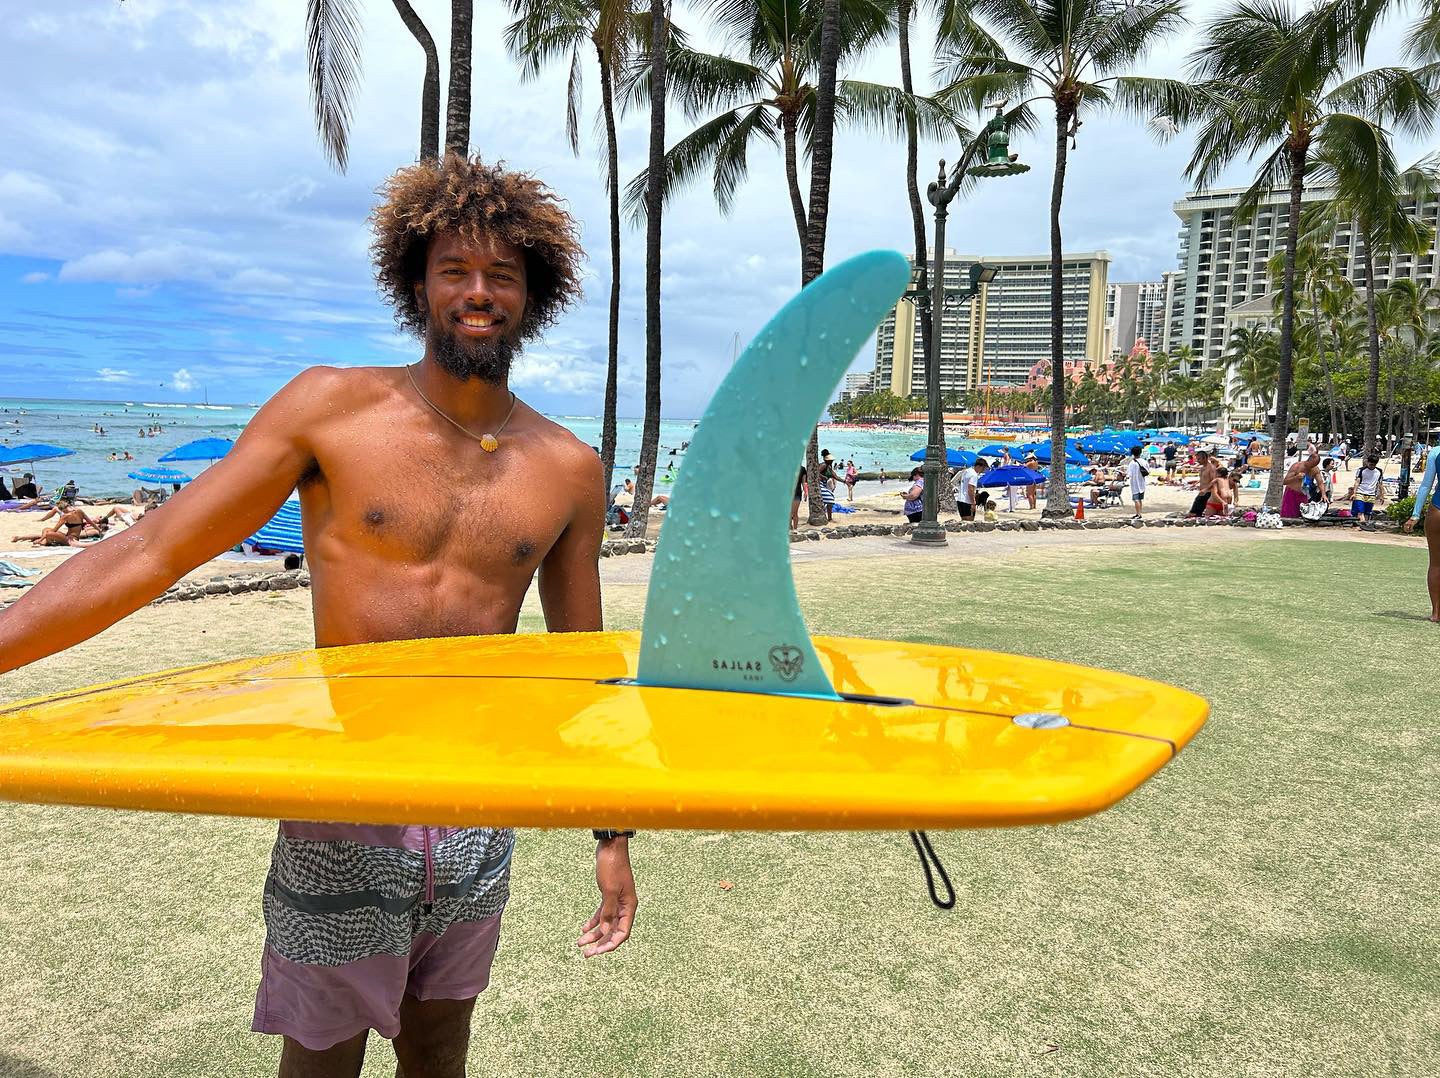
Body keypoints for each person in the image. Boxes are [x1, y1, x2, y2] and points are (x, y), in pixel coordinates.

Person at [0, 155, 634, 1077]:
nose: (478, 292)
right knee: (322, 1052)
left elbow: (580, 669)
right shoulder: (329, 410)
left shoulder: (567, 466)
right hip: (344, 796)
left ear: (534, 293)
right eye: (455, 269)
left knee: (439, 1042)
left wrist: (611, 834)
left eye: (503, 274)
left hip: (477, 805)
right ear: (416, 282)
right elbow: (152, 550)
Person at [1401, 443, 1440, 622]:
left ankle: (1436, 613)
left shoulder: (1436, 451)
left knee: (1436, 564)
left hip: (1437, 510)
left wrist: (1415, 515)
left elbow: (1426, 486)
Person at [1281, 444, 1322, 518]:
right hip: (1292, 493)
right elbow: (1284, 482)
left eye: (1315, 465)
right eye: (1312, 465)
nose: (1312, 467)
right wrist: (1296, 477)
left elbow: (1320, 483)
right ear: (1308, 461)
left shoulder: (1315, 469)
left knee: (1303, 514)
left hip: (1303, 494)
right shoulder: (1296, 466)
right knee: (1288, 515)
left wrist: (1324, 494)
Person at [1345, 455, 1385, 524]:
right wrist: (1354, 493)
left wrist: (1382, 495)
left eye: (1374, 465)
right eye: (1370, 464)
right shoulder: (1361, 470)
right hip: (1360, 493)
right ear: (1367, 462)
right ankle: (1363, 524)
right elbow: (1357, 482)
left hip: (1371, 494)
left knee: (1367, 512)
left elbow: (1380, 484)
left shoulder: (1379, 471)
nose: (1372, 466)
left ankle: (1364, 524)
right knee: (1360, 511)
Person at [1187, 450, 1215, 518]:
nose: (1198, 461)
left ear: (1205, 458)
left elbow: (1214, 480)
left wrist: (1206, 489)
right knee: (1195, 513)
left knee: (1193, 513)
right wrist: (1196, 484)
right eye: (1197, 459)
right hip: (1202, 491)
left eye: (1199, 459)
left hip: (1208, 492)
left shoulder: (1211, 467)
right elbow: (1203, 479)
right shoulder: (1202, 468)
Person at [1126, 445, 1148, 519]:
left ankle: (1138, 514)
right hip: (1142, 483)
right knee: (1140, 499)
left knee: (1136, 500)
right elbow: (1148, 471)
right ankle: (1139, 513)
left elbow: (1129, 474)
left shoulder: (1132, 463)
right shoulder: (1144, 461)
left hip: (1135, 484)